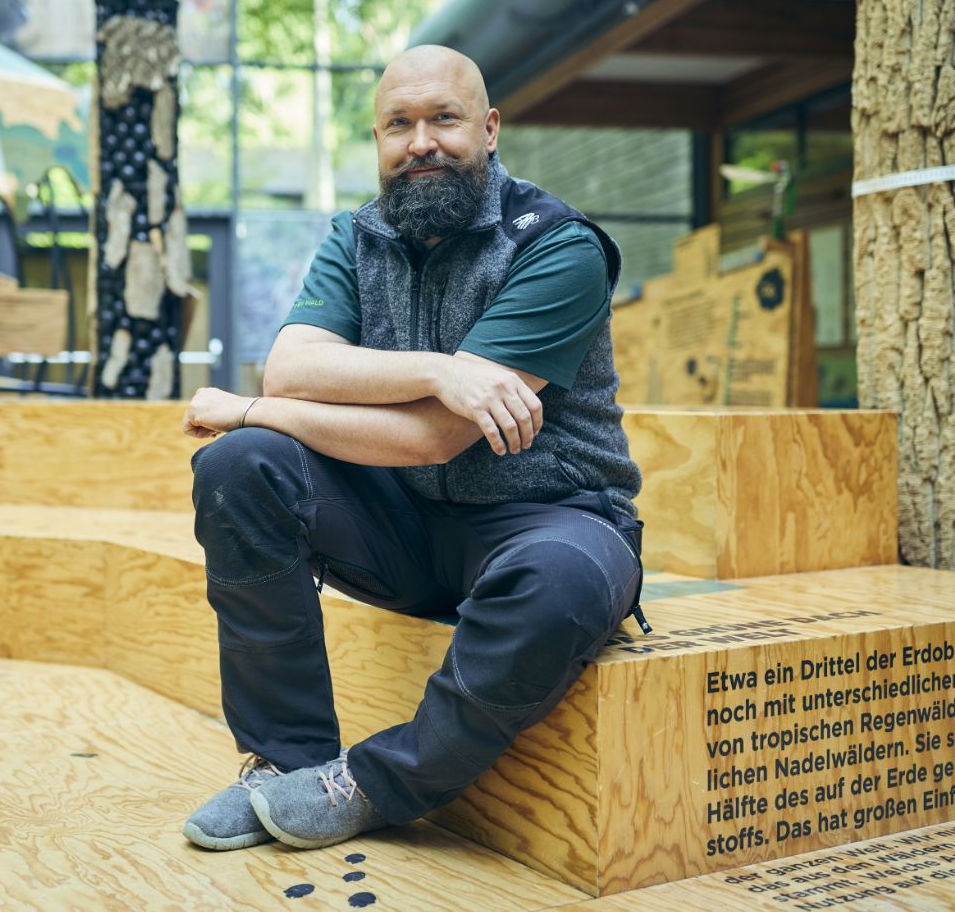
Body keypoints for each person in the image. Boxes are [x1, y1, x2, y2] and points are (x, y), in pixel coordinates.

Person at [179, 45, 645, 852]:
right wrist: (441, 370)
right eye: (399, 124)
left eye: (444, 119)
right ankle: (283, 762)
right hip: (404, 521)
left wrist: (254, 407)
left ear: (490, 128)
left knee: (562, 580)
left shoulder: (558, 246)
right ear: (378, 139)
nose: (420, 142)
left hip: (545, 519)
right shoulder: (355, 236)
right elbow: (293, 365)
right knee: (236, 466)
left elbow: (436, 433)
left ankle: (365, 785)